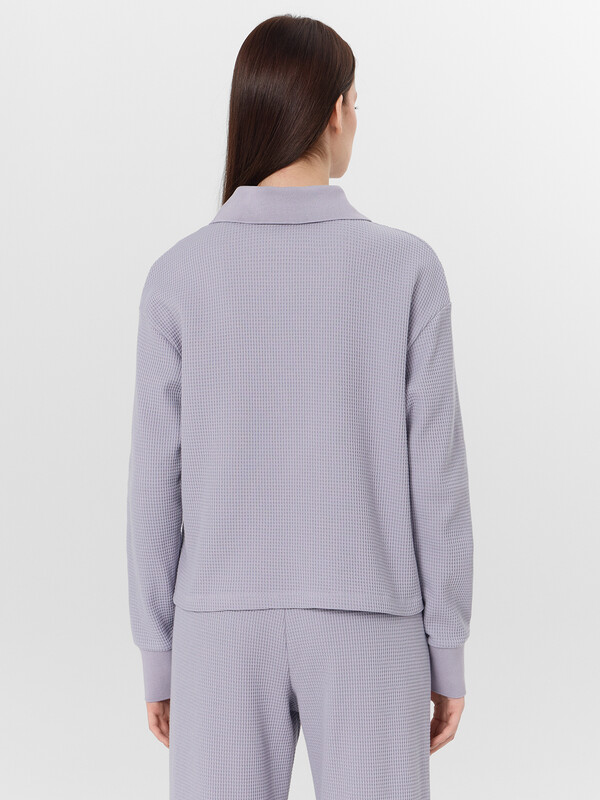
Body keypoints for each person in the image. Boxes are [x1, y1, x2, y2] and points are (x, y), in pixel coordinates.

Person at [126, 13, 474, 800]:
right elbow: (437, 477)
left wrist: (160, 651)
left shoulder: (179, 274)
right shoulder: (406, 267)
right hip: (371, 621)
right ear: (337, 111)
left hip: (218, 629)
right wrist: (446, 647)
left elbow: (155, 483)